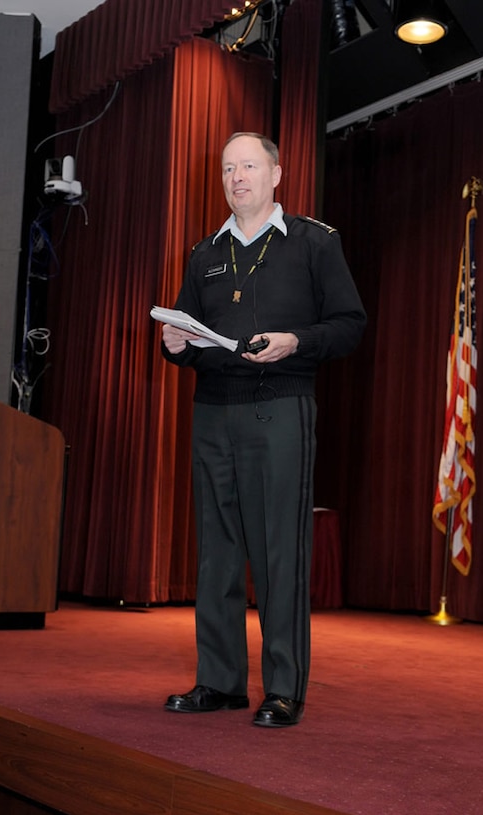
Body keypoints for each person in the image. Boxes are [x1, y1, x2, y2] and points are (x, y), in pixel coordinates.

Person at [160, 132, 366, 728]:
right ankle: (220, 682)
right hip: (213, 413)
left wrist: (297, 341)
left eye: (249, 165)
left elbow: (350, 324)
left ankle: (283, 689)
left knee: (280, 552)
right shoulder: (204, 254)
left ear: (276, 174)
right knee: (217, 555)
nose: (237, 177)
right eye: (228, 168)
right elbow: (189, 336)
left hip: (280, 407)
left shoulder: (314, 243)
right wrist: (177, 345)